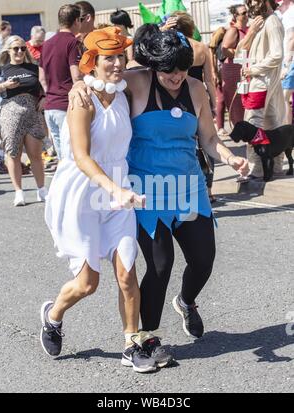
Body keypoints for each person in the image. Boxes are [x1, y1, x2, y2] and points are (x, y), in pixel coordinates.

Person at [70, 24, 249, 364]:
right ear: (154, 65)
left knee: (203, 262)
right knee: (160, 264)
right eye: (169, 71)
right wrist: (78, 84)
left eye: (182, 69)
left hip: (189, 189)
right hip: (147, 192)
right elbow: (101, 83)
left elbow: (209, 139)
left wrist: (229, 157)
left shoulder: (195, 89)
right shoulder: (136, 82)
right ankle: (147, 336)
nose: (176, 76)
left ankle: (186, 301)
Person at [40, 27, 156, 373]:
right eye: (109, 57)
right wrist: (115, 189)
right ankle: (53, 314)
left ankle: (131, 344)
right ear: (93, 61)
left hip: (118, 192)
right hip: (83, 193)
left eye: (121, 56)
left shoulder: (125, 91)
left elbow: (163, 68)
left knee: (127, 274)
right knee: (88, 284)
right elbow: (81, 156)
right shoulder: (82, 99)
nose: (118, 63)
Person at [162, 11, 217, 203]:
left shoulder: (167, 47)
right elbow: (210, 80)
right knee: (207, 142)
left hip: (175, 98)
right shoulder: (201, 47)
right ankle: (208, 189)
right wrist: (214, 105)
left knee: (184, 143)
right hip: (200, 97)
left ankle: (187, 186)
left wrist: (161, 31)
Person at [0, 36, 47, 206]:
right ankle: (19, 192)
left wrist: (45, 98)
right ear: (8, 50)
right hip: (10, 113)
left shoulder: (34, 67)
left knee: (35, 154)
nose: (19, 52)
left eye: (23, 48)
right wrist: (4, 86)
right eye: (15, 48)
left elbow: (45, 86)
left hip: (32, 112)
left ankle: (41, 190)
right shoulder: (1, 69)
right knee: (13, 153)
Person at [237, 0, 286, 178]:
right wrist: (251, 32)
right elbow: (239, 51)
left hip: (261, 82)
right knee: (273, 123)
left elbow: (277, 55)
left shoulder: (272, 21)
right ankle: (275, 167)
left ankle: (256, 169)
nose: (252, 3)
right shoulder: (260, 21)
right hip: (259, 81)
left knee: (253, 124)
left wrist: (254, 69)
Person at [39, 4, 83, 160]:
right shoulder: (72, 43)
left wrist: (51, 95)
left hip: (50, 107)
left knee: (63, 160)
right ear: (77, 20)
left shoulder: (46, 44)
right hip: (66, 106)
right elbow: (76, 76)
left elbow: (42, 78)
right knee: (73, 158)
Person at [221, 4, 249, 126]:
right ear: (235, 16)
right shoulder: (233, 30)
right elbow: (225, 49)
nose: (246, 15)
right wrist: (241, 54)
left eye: (247, 12)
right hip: (233, 70)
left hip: (245, 68)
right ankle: (240, 129)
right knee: (237, 103)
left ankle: (248, 129)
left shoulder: (249, 29)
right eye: (243, 13)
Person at [277, 0, 294, 124]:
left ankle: (287, 137)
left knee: (284, 98)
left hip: (290, 62)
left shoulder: (290, 13)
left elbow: (291, 38)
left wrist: (286, 65)